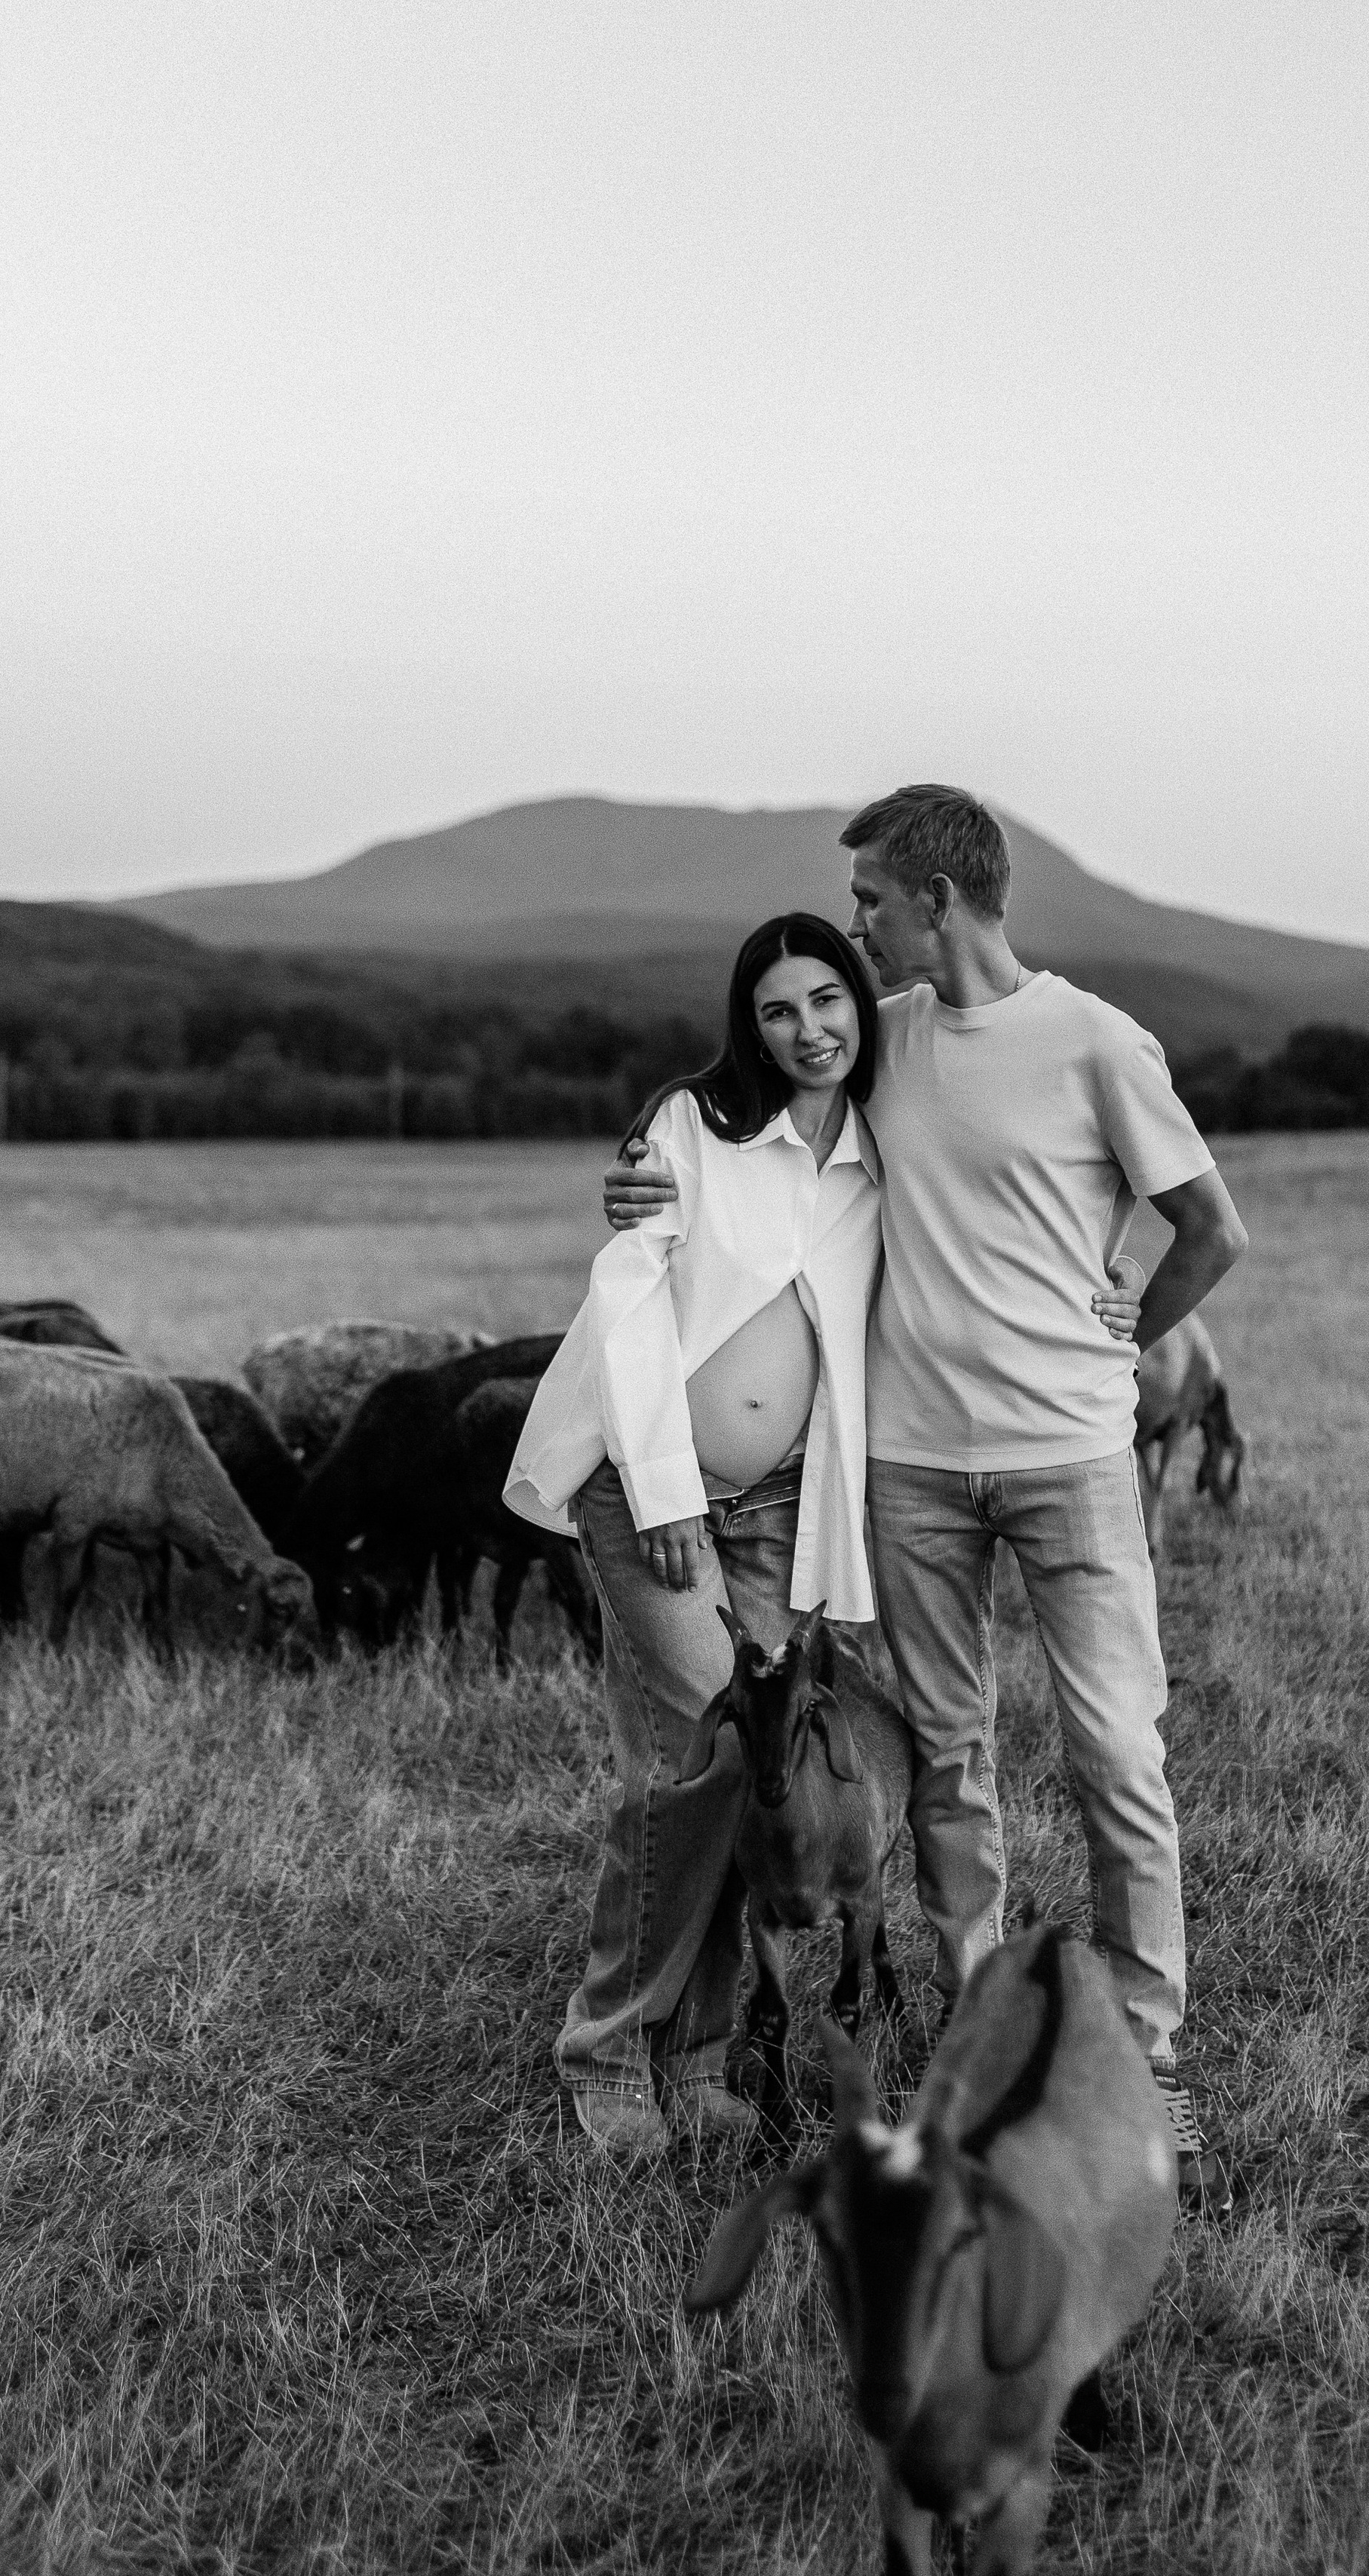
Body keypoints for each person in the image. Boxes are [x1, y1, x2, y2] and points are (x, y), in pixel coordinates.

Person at [606, 787, 1249, 2210]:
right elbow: (742, 1100)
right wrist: (640, 1182)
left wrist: (1121, 1329)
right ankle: (979, 2047)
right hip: (913, 1476)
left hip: (1073, 1462)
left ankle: (1147, 2061)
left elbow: (1214, 1228)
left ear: (939, 901)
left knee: (1115, 1757)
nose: (854, 934)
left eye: (872, 907)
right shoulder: (879, 1035)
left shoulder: (1093, 1040)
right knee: (951, 1761)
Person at [504, 913, 886, 2163]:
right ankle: (610, 2051)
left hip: (780, 1509)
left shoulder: (884, 1147)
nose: (808, 1029)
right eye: (779, 1010)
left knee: (748, 1764)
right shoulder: (695, 1128)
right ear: (749, 1024)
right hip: (649, 1491)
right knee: (701, 1758)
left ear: (860, 1002)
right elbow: (625, 1296)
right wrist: (666, 1489)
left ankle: (704, 2057)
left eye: (827, 999)